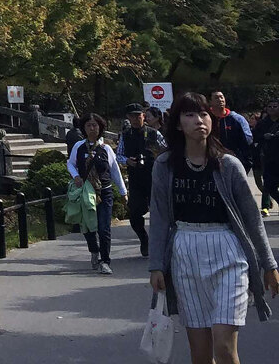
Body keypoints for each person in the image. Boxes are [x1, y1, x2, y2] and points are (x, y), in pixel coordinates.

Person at [149, 92, 279, 364]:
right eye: (190, 115)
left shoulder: (228, 164)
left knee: (223, 344)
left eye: (204, 114)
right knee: (200, 353)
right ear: (177, 124)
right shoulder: (165, 165)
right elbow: (159, 216)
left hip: (228, 252)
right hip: (185, 252)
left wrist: (269, 265)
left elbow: (251, 217)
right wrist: (156, 265)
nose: (199, 121)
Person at [67, 111, 126, 274]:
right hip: (85, 192)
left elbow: (115, 171)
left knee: (104, 228)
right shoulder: (78, 147)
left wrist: (123, 191)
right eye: (88, 125)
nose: (92, 128)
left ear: (100, 128)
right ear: (83, 128)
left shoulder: (106, 148)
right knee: (88, 227)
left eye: (95, 125)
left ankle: (105, 261)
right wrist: (76, 176)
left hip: (104, 193)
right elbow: (70, 164)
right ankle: (94, 250)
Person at [117, 102, 164, 256]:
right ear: (128, 118)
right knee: (135, 213)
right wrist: (127, 161)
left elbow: (166, 150)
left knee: (159, 213)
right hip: (136, 178)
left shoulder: (153, 133)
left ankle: (160, 243)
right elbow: (119, 155)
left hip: (154, 177)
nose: (136, 119)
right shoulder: (125, 135)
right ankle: (144, 239)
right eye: (133, 116)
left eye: (139, 115)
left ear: (144, 116)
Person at [209, 89, 253, 166]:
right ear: (210, 102)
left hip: (234, 160)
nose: (220, 100)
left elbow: (248, 139)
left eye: (221, 97)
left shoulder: (237, 118)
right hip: (210, 159)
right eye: (216, 98)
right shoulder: (206, 118)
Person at [254, 98, 279, 216]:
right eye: (270, 107)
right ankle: (265, 206)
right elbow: (255, 136)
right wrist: (264, 136)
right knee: (269, 185)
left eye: (275, 106)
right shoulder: (263, 123)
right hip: (268, 158)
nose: (272, 109)